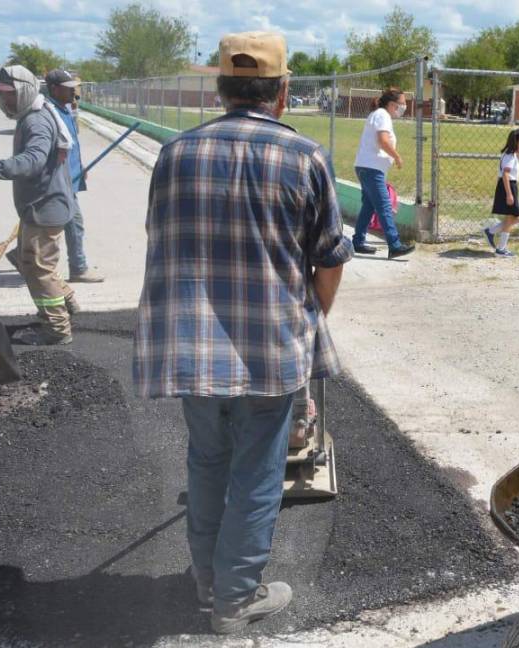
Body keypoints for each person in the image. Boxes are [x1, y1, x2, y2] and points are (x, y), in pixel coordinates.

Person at [132, 31, 353, 635]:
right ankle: (235, 597)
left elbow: (163, 239)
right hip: (268, 352)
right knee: (257, 472)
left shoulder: (175, 153)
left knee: (206, 462)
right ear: (282, 92)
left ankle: (207, 585)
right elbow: (330, 255)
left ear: (222, 90)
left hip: (188, 350)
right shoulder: (303, 157)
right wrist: (308, 326)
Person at [0, 65, 77, 346]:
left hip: (46, 208)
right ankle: (65, 299)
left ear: (24, 91)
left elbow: (33, 160)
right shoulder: (31, 114)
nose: (3, 101)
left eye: (8, 95)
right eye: (0, 95)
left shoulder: (36, 121)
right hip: (40, 205)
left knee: (38, 269)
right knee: (24, 259)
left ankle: (56, 329)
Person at [46, 69, 104, 283]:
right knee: (71, 223)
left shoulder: (65, 109)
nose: (74, 92)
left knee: (56, 224)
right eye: (69, 88)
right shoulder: (50, 113)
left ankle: (27, 257)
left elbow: (71, 144)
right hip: (59, 182)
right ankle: (78, 268)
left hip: (70, 177)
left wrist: (80, 166)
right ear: (54, 89)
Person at [352, 88, 415, 259]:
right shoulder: (382, 115)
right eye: (402, 103)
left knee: (369, 206)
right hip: (371, 169)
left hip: (367, 167)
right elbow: (383, 140)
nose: (404, 106)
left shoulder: (378, 114)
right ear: (392, 104)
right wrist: (397, 157)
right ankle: (394, 245)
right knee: (384, 206)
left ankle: (357, 242)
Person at [483, 128, 519, 257]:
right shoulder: (509, 155)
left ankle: (491, 231)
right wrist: (509, 194)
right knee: (513, 217)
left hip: (511, 185)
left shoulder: (512, 154)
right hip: (508, 186)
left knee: (514, 218)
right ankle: (501, 249)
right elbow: (505, 174)